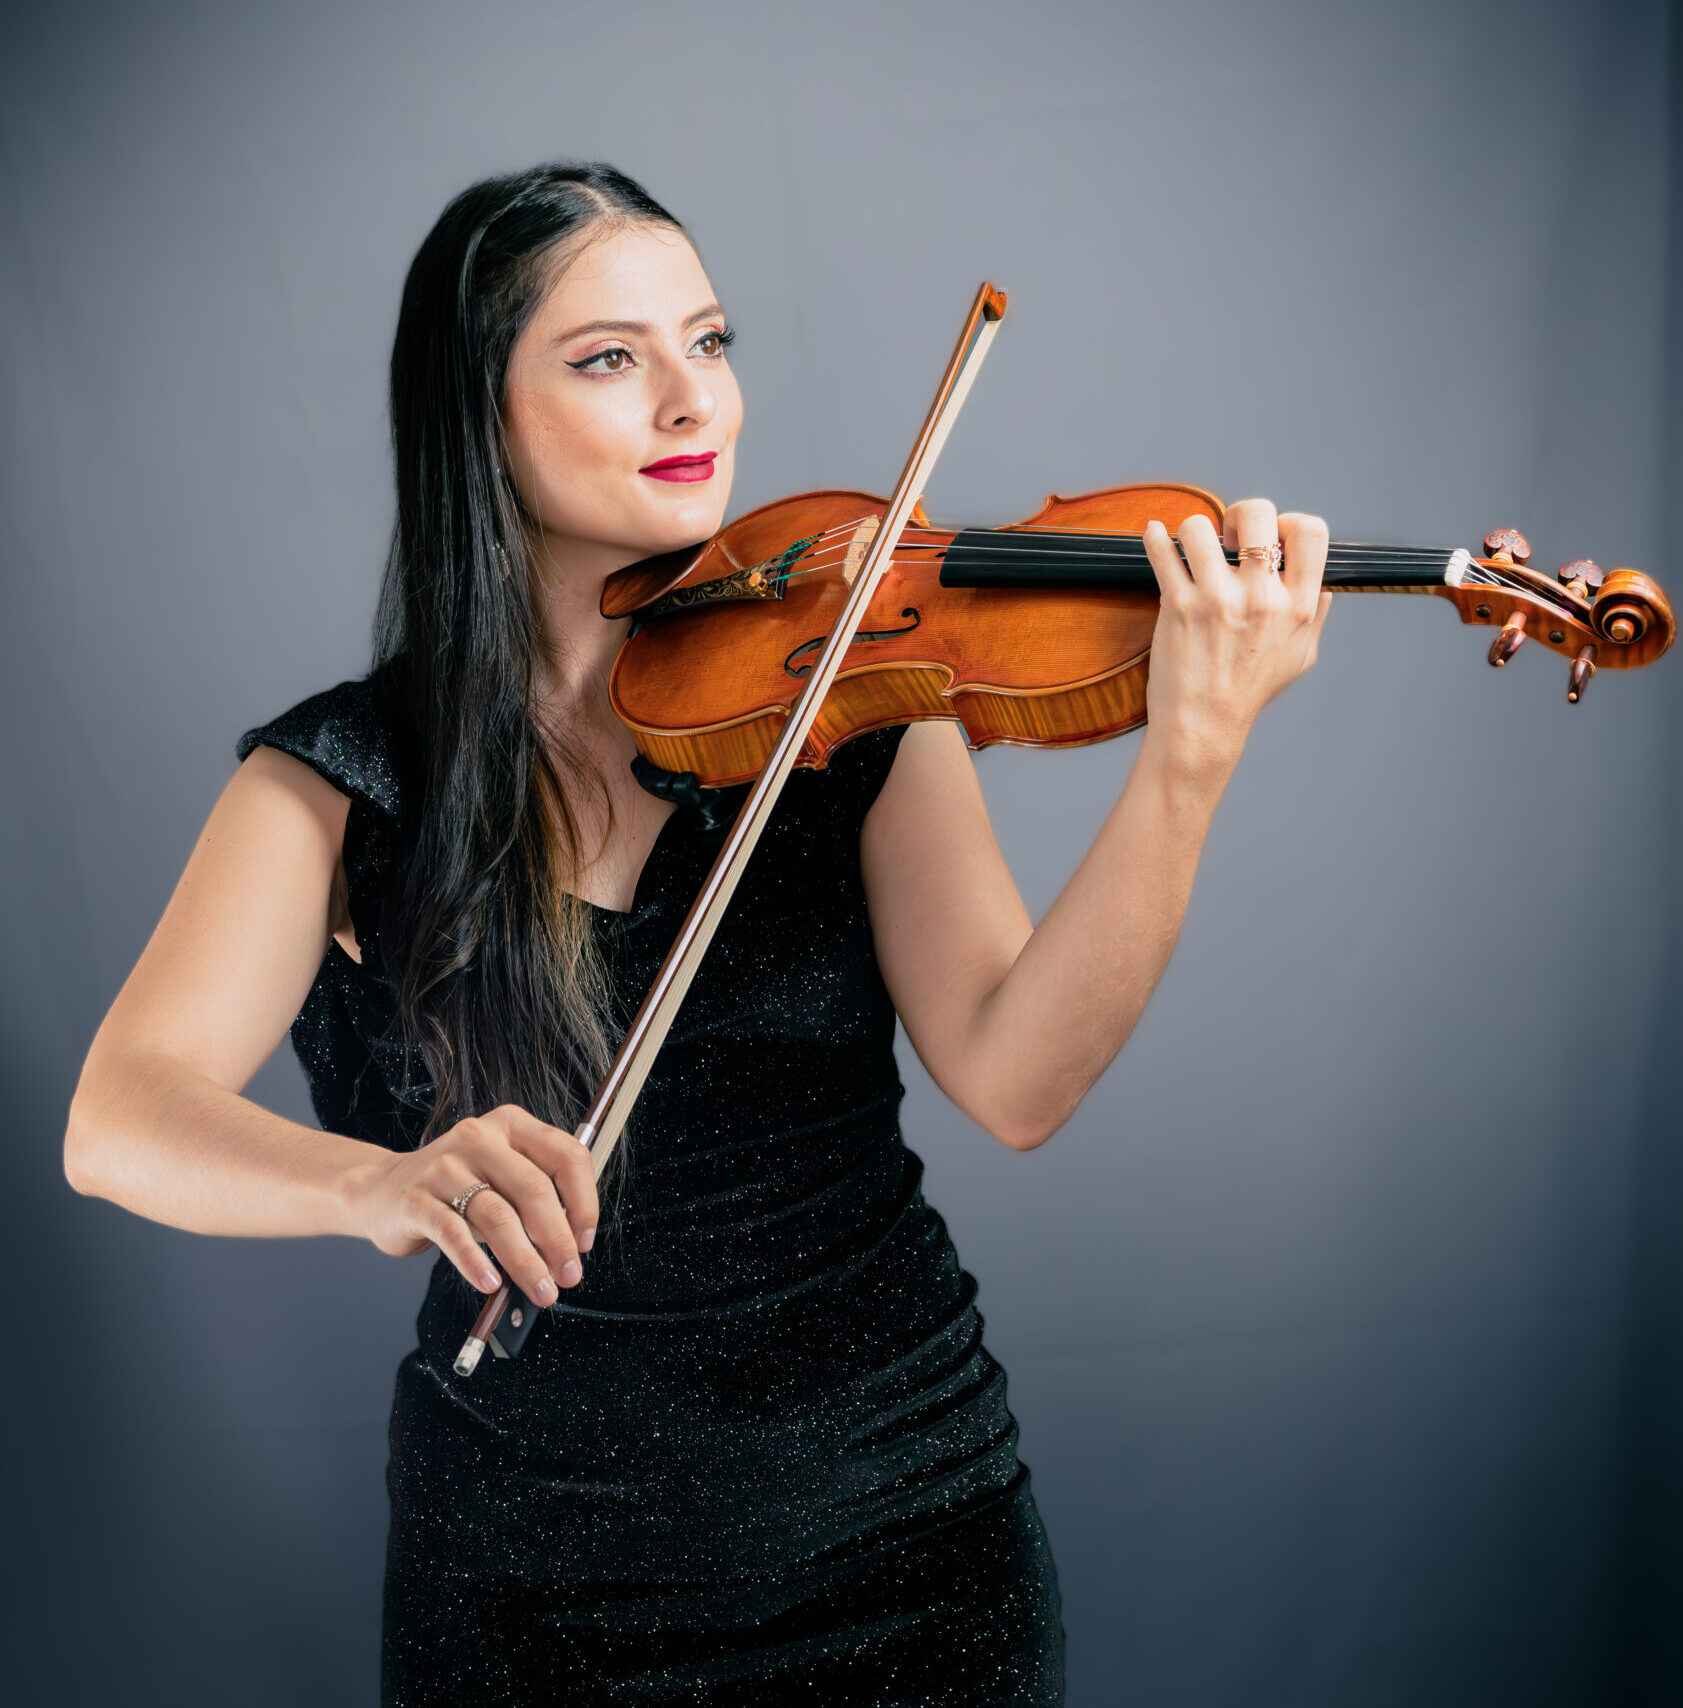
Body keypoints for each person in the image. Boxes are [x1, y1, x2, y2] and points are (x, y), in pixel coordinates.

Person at [64, 162, 1331, 1705]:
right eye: (609, 358)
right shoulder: (341, 784)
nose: (693, 401)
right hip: (528, 1597)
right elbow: (119, 1117)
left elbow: (1017, 1077)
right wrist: (380, 1183)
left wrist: (1188, 761)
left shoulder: (849, 696)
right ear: (481, 415)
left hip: (911, 1555)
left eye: (711, 342)